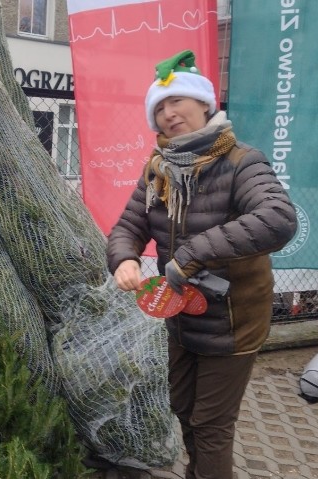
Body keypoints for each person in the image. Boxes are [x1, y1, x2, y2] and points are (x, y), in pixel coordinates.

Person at [106, 50, 297, 479]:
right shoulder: (158, 170)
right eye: (160, 107)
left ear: (205, 104)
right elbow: (126, 227)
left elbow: (278, 219)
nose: (169, 113)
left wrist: (189, 256)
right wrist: (124, 259)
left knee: (211, 424)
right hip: (181, 316)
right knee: (183, 408)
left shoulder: (242, 162)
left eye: (178, 101)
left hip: (233, 322)